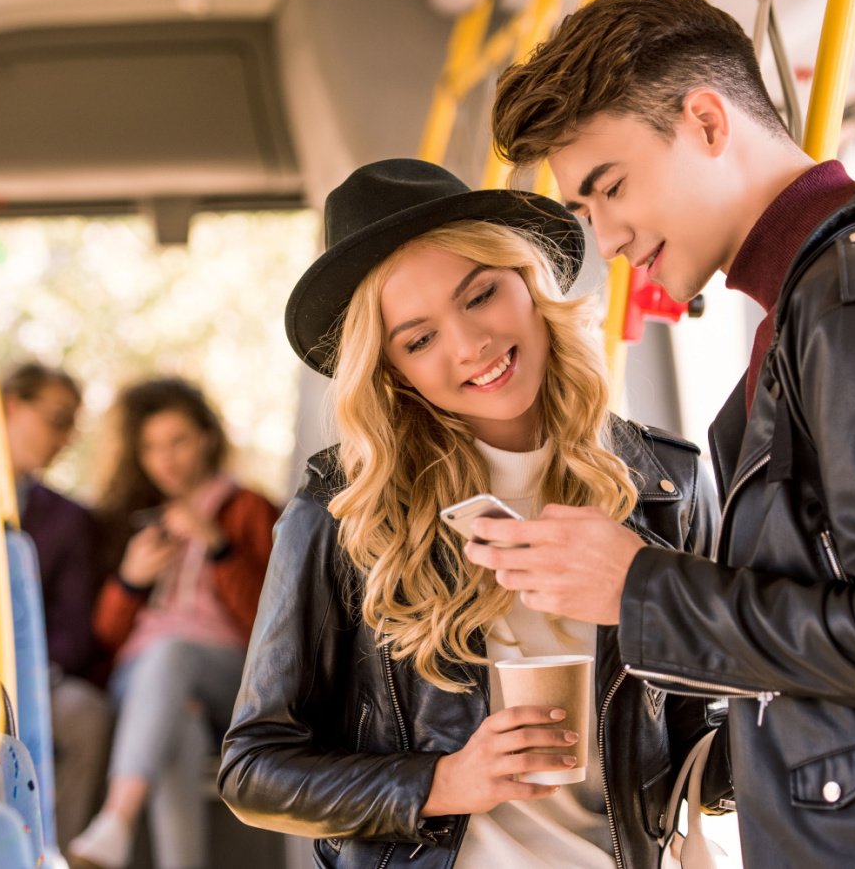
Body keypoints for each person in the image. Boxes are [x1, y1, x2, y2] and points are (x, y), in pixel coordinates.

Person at [472, 0, 855, 868]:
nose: (610, 237)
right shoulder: (809, 307)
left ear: (707, 121)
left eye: (610, 188)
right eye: (586, 214)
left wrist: (639, 588)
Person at [219, 158, 723, 869]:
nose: (469, 345)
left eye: (480, 295)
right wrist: (443, 782)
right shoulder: (344, 509)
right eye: (419, 339)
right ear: (392, 371)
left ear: (527, 283)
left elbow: (707, 745)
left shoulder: (665, 486)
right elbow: (252, 770)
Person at [67, 377, 280, 869]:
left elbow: (271, 624)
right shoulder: (133, 518)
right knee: (176, 724)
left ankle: (115, 819)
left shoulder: (248, 507)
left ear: (207, 437)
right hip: (145, 687)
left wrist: (218, 545)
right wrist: (130, 581)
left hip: (229, 679)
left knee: (172, 651)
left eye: (178, 441)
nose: (166, 459)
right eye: (151, 447)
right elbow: (106, 637)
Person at [1, 362, 110, 853]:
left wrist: (29, 670)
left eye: (73, 425)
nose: (65, 438)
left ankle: (53, 854)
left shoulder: (69, 519)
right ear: (9, 407)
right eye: (56, 418)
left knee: (83, 713)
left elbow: (75, 627)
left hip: (33, 678)